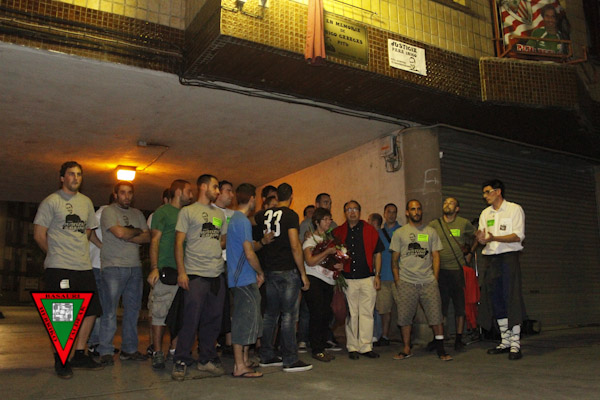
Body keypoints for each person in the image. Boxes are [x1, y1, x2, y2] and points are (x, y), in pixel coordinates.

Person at [33, 161, 103, 378]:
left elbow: (88, 231)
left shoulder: (86, 202)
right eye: (71, 174)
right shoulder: (51, 201)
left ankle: (80, 354)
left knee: (91, 310)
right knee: (62, 316)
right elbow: (39, 234)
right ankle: (61, 359)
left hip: (83, 266)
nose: (76, 178)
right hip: (60, 267)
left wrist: (88, 249)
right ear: (62, 178)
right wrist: (54, 255)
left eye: (79, 174)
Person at [171, 174, 228, 381]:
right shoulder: (188, 211)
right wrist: (182, 272)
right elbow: (178, 243)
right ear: (203, 187)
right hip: (195, 274)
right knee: (190, 320)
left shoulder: (219, 214)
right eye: (215, 187)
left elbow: (221, 240)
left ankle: (206, 359)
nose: (218, 191)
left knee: (213, 320)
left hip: (216, 274)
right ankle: (181, 360)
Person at [255, 183, 313, 372]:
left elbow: (257, 225)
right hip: (287, 269)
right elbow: (295, 245)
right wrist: (303, 273)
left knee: (270, 314)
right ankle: (290, 358)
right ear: (291, 197)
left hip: (270, 269)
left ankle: (266, 354)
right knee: (288, 315)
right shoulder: (290, 215)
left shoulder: (263, 215)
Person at [390, 199, 452, 361]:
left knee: (436, 317)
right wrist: (398, 280)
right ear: (407, 212)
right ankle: (406, 348)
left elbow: (436, 256)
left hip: (428, 282)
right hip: (406, 282)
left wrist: (435, 278)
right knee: (404, 318)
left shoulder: (431, 232)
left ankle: (441, 349)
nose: (416, 212)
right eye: (413, 209)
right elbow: (394, 260)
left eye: (418, 209)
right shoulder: (400, 233)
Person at [98, 181, 150, 365]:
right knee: (109, 311)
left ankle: (129, 349)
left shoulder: (137, 213)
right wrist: (135, 232)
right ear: (115, 194)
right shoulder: (109, 212)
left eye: (129, 193)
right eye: (122, 193)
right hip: (113, 267)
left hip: (134, 267)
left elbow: (147, 237)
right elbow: (119, 233)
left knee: (133, 311)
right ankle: (105, 350)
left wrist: (129, 233)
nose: (126, 196)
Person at [476, 179, 526, 360]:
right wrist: (481, 238)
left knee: (511, 297)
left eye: (488, 192)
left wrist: (494, 237)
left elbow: (517, 236)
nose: (485, 196)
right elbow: (483, 236)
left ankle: (515, 344)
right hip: (491, 259)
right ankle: (505, 341)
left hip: (508, 258)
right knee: (495, 299)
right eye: (484, 193)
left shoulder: (514, 209)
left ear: (498, 192)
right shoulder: (485, 213)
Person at [147, 180, 194, 370]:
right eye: (189, 191)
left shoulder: (188, 214)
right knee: (159, 313)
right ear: (179, 192)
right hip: (166, 270)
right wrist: (154, 267)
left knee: (180, 315)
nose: (191, 195)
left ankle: (174, 350)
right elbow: (155, 240)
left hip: (184, 272)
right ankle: (157, 352)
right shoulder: (163, 212)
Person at [227, 183, 268, 378]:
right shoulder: (242, 221)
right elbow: (249, 252)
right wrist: (260, 272)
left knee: (250, 319)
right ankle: (239, 366)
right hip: (242, 278)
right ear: (252, 198)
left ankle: (244, 360)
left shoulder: (236, 219)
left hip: (244, 277)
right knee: (243, 321)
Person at [333, 200, 383, 360]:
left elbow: (378, 253)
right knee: (352, 314)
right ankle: (353, 347)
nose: (352, 212)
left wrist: (377, 275)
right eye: (349, 209)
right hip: (348, 279)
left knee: (367, 313)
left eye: (355, 209)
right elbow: (331, 252)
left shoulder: (370, 230)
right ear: (345, 213)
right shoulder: (339, 232)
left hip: (367, 278)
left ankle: (366, 346)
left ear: (360, 212)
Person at [428, 197, 475, 352]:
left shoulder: (463, 223)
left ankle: (459, 338)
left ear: (457, 209)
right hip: (440, 271)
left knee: (460, 307)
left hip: (457, 271)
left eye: (451, 203)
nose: (447, 205)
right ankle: (438, 339)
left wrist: (470, 252)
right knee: (439, 308)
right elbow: (425, 240)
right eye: (445, 202)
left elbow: (477, 236)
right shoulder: (434, 224)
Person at [302, 207, 343, 362]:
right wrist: (327, 252)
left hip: (328, 281)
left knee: (326, 314)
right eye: (325, 219)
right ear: (317, 222)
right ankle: (317, 349)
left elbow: (335, 259)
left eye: (329, 219)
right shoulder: (310, 240)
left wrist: (339, 265)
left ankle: (322, 345)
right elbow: (310, 261)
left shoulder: (330, 240)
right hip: (314, 279)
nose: (328, 222)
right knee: (317, 314)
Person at [87, 194, 113, 356]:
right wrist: (102, 246)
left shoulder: (110, 214)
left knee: (106, 306)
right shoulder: (103, 212)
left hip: (105, 267)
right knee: (99, 306)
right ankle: (94, 342)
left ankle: (100, 342)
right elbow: (89, 231)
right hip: (97, 266)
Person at [374, 203, 402, 347]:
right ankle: (384, 336)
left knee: (404, 308)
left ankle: (406, 336)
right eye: (389, 212)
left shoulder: (402, 231)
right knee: (384, 309)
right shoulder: (378, 233)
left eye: (394, 212)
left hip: (400, 277)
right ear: (384, 214)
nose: (391, 215)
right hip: (383, 276)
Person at [213, 180, 235, 356]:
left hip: (232, 264)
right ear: (218, 192)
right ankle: (211, 343)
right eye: (228, 190)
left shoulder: (234, 214)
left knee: (231, 305)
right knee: (215, 305)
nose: (231, 195)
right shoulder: (209, 212)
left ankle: (229, 343)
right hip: (215, 264)